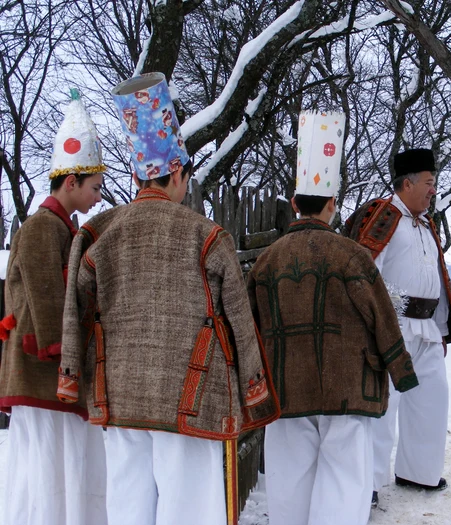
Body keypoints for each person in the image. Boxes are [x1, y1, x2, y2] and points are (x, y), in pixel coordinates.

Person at [57, 72, 280, 525]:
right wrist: (254, 390)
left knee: (127, 508)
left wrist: (70, 377)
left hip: (119, 397)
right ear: (176, 172)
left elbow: (74, 313)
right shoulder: (206, 236)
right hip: (191, 400)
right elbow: (238, 316)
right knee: (190, 509)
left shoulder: (99, 234)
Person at [247, 111, 419, 525]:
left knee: (289, 486)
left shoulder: (266, 263)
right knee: (344, 487)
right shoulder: (353, 256)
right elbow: (381, 317)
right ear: (333, 205)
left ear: (293, 204)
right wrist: (401, 371)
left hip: (286, 390)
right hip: (349, 391)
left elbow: (249, 326)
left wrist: (248, 385)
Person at [0, 89, 108, 525]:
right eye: (95, 187)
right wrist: (63, 357)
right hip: (43, 371)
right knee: (46, 468)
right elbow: (47, 297)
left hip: (47, 373)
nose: (98, 196)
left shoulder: (60, 227)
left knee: (55, 464)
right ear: (71, 182)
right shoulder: (44, 228)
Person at [345, 148, 451, 503]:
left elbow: (437, 278)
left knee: (432, 399)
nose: (434, 190)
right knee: (383, 407)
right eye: (429, 183)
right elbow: (364, 272)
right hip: (391, 327)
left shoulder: (427, 225)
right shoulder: (382, 218)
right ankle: (366, 485)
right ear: (407, 183)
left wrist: (443, 327)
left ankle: (419, 473)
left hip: (426, 329)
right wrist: (371, 326)